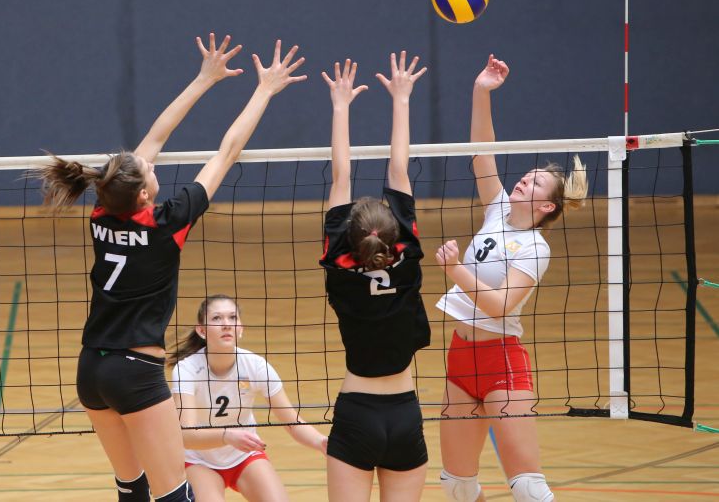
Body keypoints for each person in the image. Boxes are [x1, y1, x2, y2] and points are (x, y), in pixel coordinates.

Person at [36, 34, 305, 502]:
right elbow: (226, 152)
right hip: (135, 373)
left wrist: (203, 80)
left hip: (91, 367)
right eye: (149, 173)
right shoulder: (167, 224)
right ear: (144, 194)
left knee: (131, 487)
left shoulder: (102, 213)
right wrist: (263, 90)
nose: (152, 167)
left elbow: (154, 140)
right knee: (173, 494)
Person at [433, 54, 588, 502]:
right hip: (460, 358)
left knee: (527, 487)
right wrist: (481, 91)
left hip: (501, 362)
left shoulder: (535, 248)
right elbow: (482, 151)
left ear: (547, 207)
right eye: (527, 176)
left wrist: (456, 271)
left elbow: (501, 305)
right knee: (457, 486)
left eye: (535, 184)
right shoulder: (497, 210)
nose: (523, 181)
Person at [319, 53, 430, 502]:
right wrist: (402, 98)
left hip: (356, 415)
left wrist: (340, 105)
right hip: (405, 413)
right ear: (394, 233)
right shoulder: (408, 255)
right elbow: (399, 170)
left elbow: (340, 176)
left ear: (349, 238)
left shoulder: (339, 266)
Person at [168, 294, 328, 502]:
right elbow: (187, 436)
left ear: (240, 328)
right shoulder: (187, 370)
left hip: (243, 455)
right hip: (198, 459)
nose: (226, 324)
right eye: (217, 318)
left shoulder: (255, 366)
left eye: (232, 317)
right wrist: (227, 436)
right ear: (202, 331)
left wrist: (321, 442)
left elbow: (292, 422)